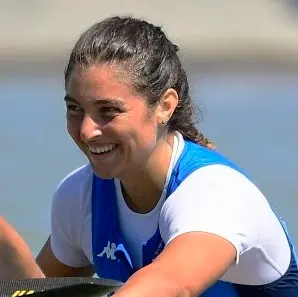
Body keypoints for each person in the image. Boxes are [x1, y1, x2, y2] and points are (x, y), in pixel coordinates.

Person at [2, 16, 297, 296]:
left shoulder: (216, 194)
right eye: (75, 109)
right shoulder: (78, 197)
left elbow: (171, 286)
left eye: (109, 111)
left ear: (165, 106)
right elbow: (31, 289)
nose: (87, 131)